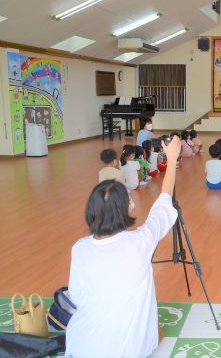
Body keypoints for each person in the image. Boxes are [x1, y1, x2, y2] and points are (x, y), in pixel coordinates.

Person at [66, 136, 181, 358]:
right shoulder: (139, 242)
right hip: (127, 348)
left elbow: (77, 296)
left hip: (81, 345)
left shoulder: (80, 248)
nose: (132, 202)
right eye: (129, 200)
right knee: (157, 333)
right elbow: (163, 205)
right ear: (124, 209)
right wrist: (173, 158)